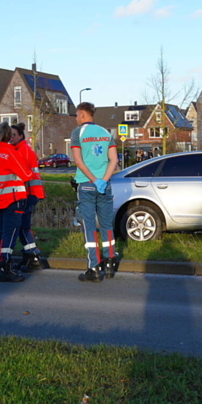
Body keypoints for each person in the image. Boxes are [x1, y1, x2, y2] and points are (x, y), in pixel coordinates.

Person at [70, 102, 119, 283]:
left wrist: (92, 180)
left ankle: (94, 267)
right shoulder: (106, 133)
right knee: (107, 224)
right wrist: (103, 180)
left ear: (83, 115)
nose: (76, 118)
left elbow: (78, 161)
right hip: (105, 186)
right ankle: (110, 262)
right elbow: (113, 159)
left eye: (76, 115)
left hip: (86, 185)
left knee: (89, 226)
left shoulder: (77, 133)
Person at [0, 121, 33, 283]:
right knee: (9, 234)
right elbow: (26, 175)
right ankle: (6, 267)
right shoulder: (11, 153)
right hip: (12, 199)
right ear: (8, 136)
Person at [8, 122, 50, 271]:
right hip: (30, 192)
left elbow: (23, 175)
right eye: (9, 135)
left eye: (14, 135)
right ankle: (28, 257)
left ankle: (33, 258)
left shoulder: (22, 150)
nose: (11, 137)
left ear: (20, 136)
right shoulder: (21, 149)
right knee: (23, 227)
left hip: (28, 193)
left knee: (23, 227)